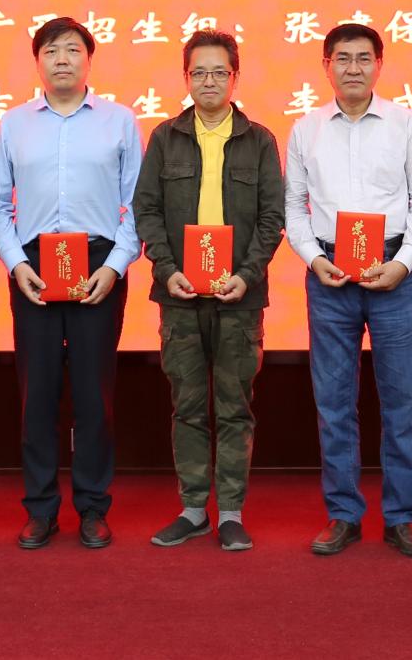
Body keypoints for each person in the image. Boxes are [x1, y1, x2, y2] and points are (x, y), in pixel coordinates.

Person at [284, 22, 412, 557]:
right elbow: (294, 207)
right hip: (330, 274)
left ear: (379, 64)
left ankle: (401, 517)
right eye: (343, 58)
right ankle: (344, 514)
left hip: (394, 272)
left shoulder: (405, 124)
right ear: (326, 66)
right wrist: (314, 259)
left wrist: (402, 262)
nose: (353, 68)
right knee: (333, 401)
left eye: (363, 58)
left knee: (402, 399)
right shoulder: (305, 129)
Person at [0, 17, 142, 550]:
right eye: (51, 50)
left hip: (98, 262)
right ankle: (40, 509)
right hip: (33, 265)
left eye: (73, 49)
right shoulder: (13, 124)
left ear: (89, 59)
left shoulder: (120, 121)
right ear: (37, 61)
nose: (62, 59)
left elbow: (136, 204)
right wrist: (15, 263)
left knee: (94, 395)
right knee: (37, 394)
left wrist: (114, 266)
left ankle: (93, 507)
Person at [132, 30, 286, 552]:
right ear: (186, 78)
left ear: (235, 78)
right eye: (199, 72)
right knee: (188, 406)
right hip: (179, 296)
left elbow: (272, 218)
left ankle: (232, 513)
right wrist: (166, 268)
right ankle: (194, 509)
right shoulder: (165, 137)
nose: (209, 81)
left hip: (239, 297)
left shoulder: (259, 140)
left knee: (235, 406)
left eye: (219, 72)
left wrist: (248, 274)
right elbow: (147, 210)